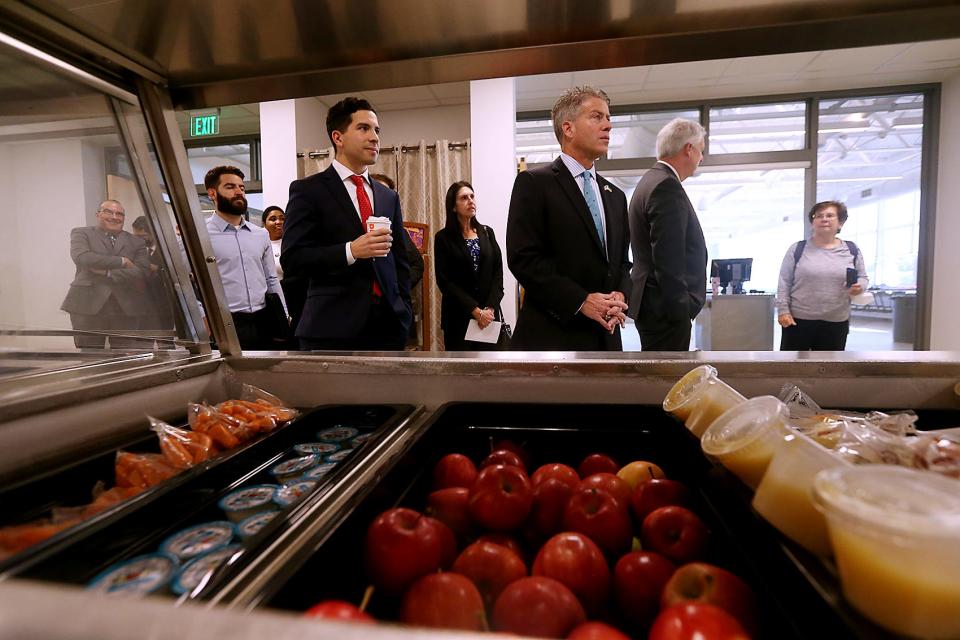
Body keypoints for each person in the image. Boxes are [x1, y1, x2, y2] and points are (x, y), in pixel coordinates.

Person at [281, 97, 412, 350]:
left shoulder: (388, 196)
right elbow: (293, 258)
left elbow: (400, 260)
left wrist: (403, 308)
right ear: (338, 137)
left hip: (388, 326)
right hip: (331, 327)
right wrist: (351, 251)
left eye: (377, 130)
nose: (374, 137)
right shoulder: (308, 190)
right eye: (363, 128)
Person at [506, 86, 631, 351]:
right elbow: (524, 259)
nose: (608, 125)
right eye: (597, 117)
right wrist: (581, 300)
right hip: (553, 338)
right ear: (568, 128)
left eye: (609, 118)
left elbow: (621, 263)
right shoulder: (534, 183)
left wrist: (620, 294)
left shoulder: (615, 196)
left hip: (605, 339)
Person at [628, 118, 708, 351]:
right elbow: (668, 257)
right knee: (666, 381)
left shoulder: (650, 180)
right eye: (700, 151)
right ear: (688, 149)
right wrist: (681, 310)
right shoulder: (666, 186)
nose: (701, 158)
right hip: (665, 310)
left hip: (654, 305)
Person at [204, 165, 288, 350]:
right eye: (230, 187)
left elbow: (271, 279)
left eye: (241, 188)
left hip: (263, 320)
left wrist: (284, 315)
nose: (238, 192)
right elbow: (186, 281)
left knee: (267, 376)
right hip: (225, 323)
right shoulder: (200, 235)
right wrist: (202, 317)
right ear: (212, 193)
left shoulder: (260, 234)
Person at [60, 200, 154, 349]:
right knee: (90, 357)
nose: (114, 217)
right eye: (108, 212)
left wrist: (108, 272)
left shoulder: (136, 242)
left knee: (124, 358)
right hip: (87, 304)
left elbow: (142, 271)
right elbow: (82, 257)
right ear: (98, 214)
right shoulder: (81, 233)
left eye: (119, 214)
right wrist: (122, 261)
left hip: (126, 306)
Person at [777, 200, 868, 351]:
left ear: (840, 223)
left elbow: (863, 277)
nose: (824, 219)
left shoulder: (852, 249)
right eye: (819, 216)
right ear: (812, 222)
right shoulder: (797, 249)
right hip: (798, 320)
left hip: (836, 320)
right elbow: (784, 282)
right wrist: (783, 311)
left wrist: (860, 287)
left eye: (830, 215)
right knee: (793, 369)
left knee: (829, 369)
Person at [434, 181, 505, 351]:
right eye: (464, 198)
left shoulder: (487, 232)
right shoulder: (443, 238)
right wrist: (475, 311)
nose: (470, 201)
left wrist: (488, 309)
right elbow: (445, 282)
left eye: (472, 196)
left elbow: (497, 274)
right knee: (462, 374)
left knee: (491, 372)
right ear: (453, 206)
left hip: (488, 318)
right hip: (458, 318)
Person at [369, 173, 425, 288]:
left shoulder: (397, 230)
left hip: (390, 295)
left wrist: (399, 288)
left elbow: (417, 265)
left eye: (386, 195)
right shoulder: (352, 225)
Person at [131, 215, 175, 338]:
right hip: (142, 306)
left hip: (163, 305)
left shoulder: (169, 250)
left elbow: (175, 273)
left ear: (153, 233)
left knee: (165, 342)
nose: (138, 240)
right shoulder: (136, 251)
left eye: (141, 236)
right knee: (143, 344)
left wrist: (156, 268)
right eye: (135, 236)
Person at [262, 206, 285, 279]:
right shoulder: (260, 245)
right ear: (264, 224)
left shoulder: (293, 243)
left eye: (282, 219)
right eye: (273, 219)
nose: (278, 222)